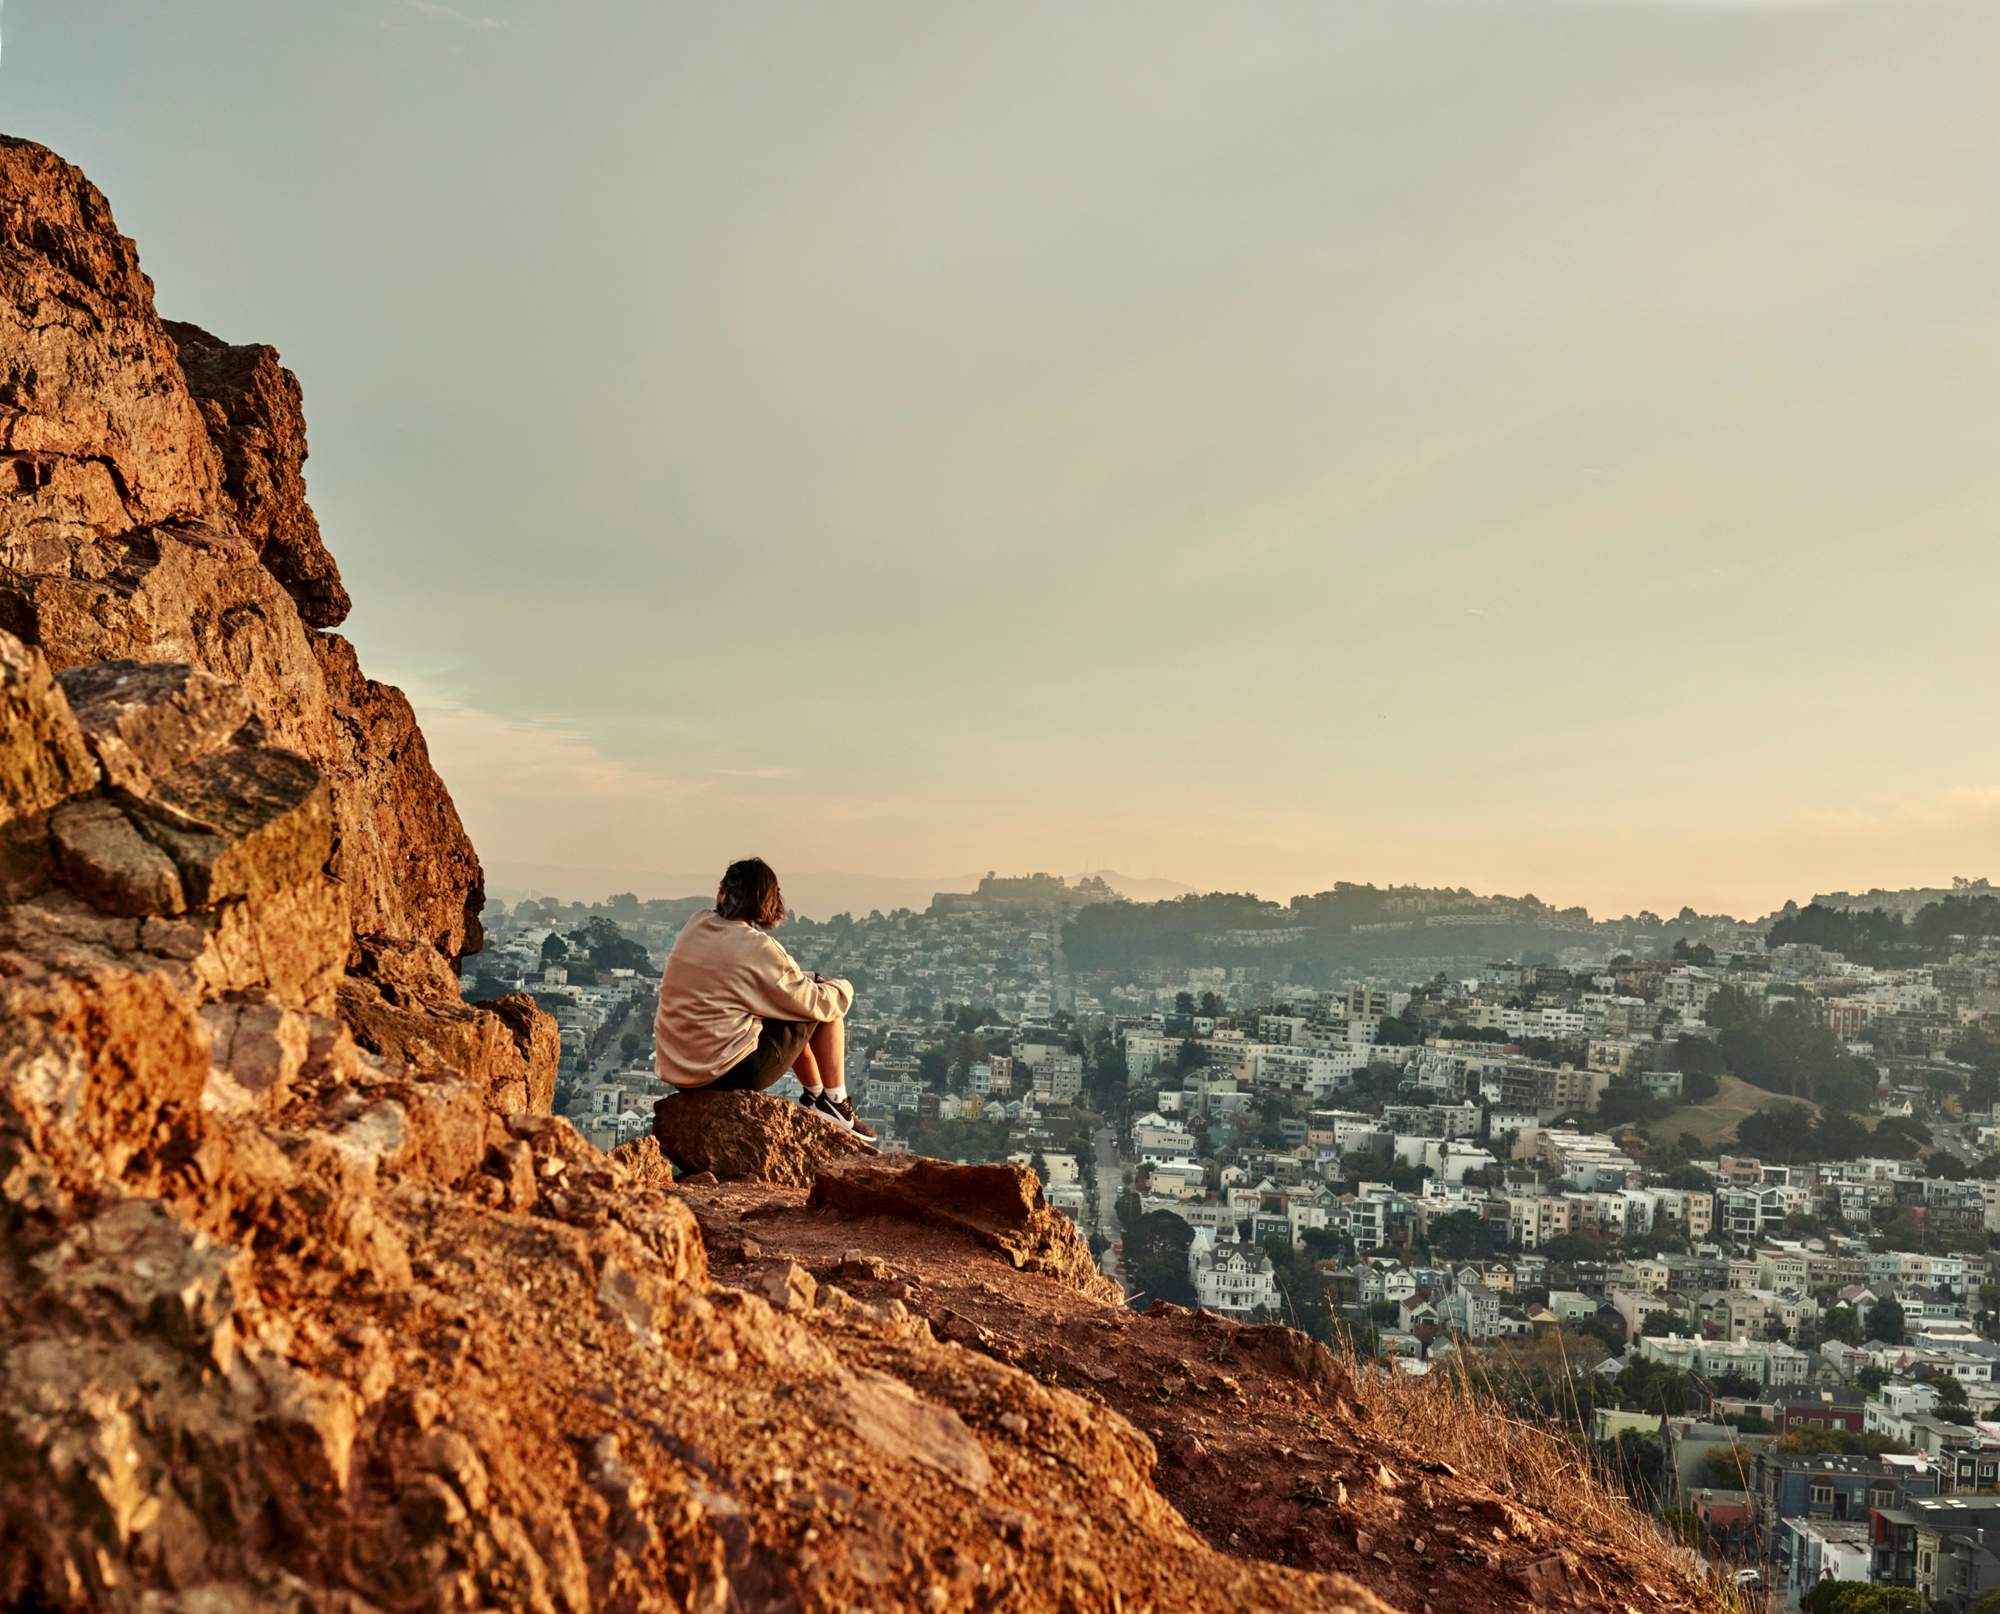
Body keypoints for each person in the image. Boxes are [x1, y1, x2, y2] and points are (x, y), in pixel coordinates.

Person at [653, 857, 875, 1140]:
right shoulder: (756, 946)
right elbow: (819, 1003)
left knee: (790, 1001)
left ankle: (817, 1096)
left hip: (678, 1068)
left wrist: (805, 979)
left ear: (723, 892)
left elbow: (750, 977)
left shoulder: (697, 923)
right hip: (724, 1071)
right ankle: (836, 1101)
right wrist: (842, 986)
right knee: (819, 1008)